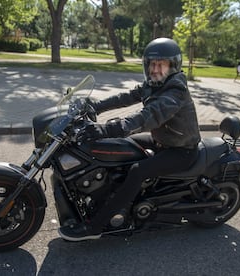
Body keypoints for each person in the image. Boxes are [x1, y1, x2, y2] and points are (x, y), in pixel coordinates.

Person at [58, 37, 201, 241]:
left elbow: (148, 117)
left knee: (137, 171)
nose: (155, 69)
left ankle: (96, 226)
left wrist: (106, 129)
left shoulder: (175, 91)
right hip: (163, 142)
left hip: (182, 150)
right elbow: (125, 97)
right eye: (152, 64)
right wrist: (94, 107)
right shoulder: (154, 84)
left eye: (161, 64)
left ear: (173, 66)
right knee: (123, 148)